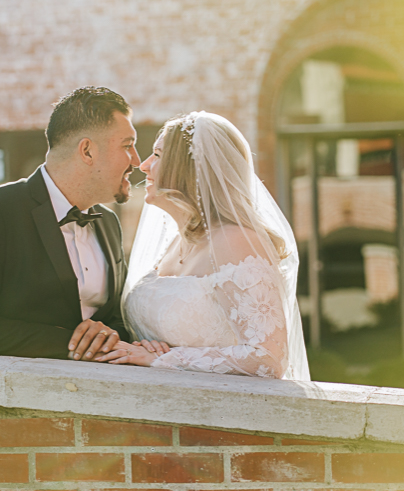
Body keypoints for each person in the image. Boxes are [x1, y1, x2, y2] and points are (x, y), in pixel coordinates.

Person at [97, 111, 309, 379]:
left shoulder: (236, 242)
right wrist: (146, 347)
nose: (145, 165)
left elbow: (269, 358)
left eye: (158, 155)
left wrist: (165, 359)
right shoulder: (174, 243)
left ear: (187, 168)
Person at [0, 87, 139, 361]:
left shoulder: (109, 222)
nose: (136, 160)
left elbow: (116, 318)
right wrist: (72, 344)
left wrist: (110, 335)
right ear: (87, 151)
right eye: (127, 145)